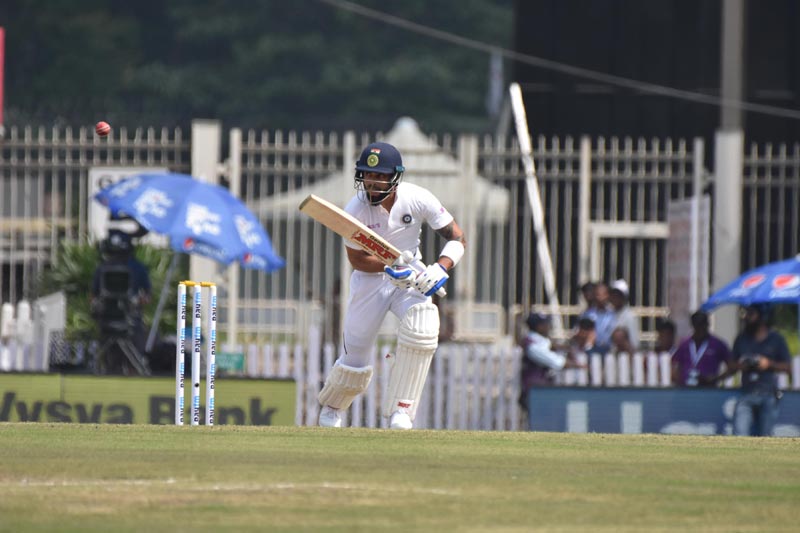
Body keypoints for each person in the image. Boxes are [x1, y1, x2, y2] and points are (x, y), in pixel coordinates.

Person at [317, 141, 466, 430]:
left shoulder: (417, 198)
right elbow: (357, 259)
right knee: (356, 351)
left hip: (412, 275)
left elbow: (458, 238)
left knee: (423, 326)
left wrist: (439, 268)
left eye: (379, 176)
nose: (372, 182)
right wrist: (390, 267)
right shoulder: (355, 209)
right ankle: (333, 407)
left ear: (394, 177)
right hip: (370, 281)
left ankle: (402, 411)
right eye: (367, 175)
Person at [716, 304, 791, 436]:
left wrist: (768, 364)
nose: (746, 318)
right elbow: (731, 366)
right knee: (739, 435)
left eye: (751, 314)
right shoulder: (741, 339)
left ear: (762, 317)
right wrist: (741, 366)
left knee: (766, 437)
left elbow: (788, 367)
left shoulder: (776, 339)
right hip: (746, 393)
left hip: (768, 393)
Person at [519, 312, 585, 407]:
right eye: (545, 324)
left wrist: (567, 347)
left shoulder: (539, 341)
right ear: (539, 327)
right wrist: (581, 366)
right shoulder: (532, 345)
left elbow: (549, 345)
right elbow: (557, 362)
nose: (548, 326)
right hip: (534, 390)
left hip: (541, 389)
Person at [671, 311, 732, 387]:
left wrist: (716, 378)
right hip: (686, 390)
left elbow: (731, 367)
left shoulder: (717, 344)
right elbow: (675, 365)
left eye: (703, 326)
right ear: (693, 326)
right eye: (698, 326)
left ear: (707, 325)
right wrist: (679, 381)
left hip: (709, 390)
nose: (701, 329)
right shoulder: (684, 344)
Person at [579, 281, 615, 354]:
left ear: (608, 295)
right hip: (591, 349)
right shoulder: (587, 314)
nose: (600, 298)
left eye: (603, 294)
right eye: (598, 294)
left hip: (609, 351)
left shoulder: (613, 314)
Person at [609, 279, 639, 351]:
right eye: (613, 295)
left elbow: (634, 342)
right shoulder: (609, 313)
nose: (615, 298)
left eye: (618, 295)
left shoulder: (630, 316)